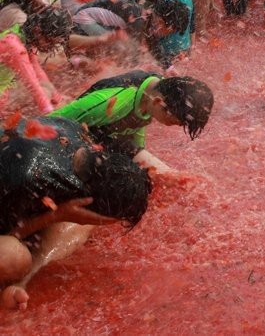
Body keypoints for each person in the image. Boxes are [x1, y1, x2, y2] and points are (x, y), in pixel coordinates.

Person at [0, 116, 152, 310]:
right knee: (12, 257)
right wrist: (56, 216)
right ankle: (20, 280)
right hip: (12, 191)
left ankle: (22, 284)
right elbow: (12, 235)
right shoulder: (28, 182)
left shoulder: (77, 134)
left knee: (76, 221)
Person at [51, 71, 213, 173]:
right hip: (71, 144)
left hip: (104, 139)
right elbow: (45, 123)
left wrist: (140, 157)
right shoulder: (109, 102)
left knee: (152, 174)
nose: (177, 125)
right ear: (158, 102)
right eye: (175, 121)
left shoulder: (157, 87)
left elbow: (135, 124)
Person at [0, 6, 72, 112]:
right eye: (50, 42)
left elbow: (36, 69)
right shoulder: (14, 46)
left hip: (4, 86)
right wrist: (50, 112)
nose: (51, 47)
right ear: (37, 30)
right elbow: (31, 81)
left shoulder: (24, 35)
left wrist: (57, 98)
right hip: (3, 90)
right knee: (42, 92)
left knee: (46, 87)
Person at [147, 0, 193, 66]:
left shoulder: (167, 3)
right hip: (184, 49)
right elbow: (192, 26)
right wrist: (190, 50)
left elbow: (158, 30)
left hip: (168, 51)